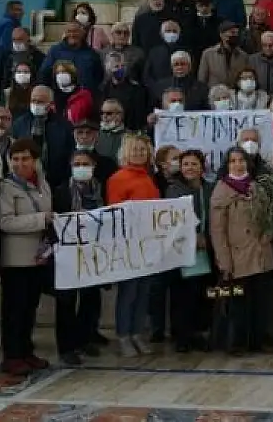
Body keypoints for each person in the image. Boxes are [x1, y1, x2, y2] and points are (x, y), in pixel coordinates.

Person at [210, 147, 273, 354]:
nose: (238, 165)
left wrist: (269, 233)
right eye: (233, 161)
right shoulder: (221, 191)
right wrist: (224, 261)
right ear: (227, 165)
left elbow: (269, 217)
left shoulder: (257, 188)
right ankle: (236, 343)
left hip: (260, 253)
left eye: (241, 160)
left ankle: (257, 341)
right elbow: (217, 231)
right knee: (237, 302)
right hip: (237, 256)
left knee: (260, 302)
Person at [0, 138, 54, 376]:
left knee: (30, 308)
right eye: (15, 159)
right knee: (14, 310)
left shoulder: (42, 184)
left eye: (25, 158)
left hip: (37, 257)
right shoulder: (5, 187)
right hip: (15, 259)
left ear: (35, 160)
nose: (20, 163)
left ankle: (26, 350)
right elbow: (5, 221)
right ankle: (12, 355)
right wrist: (41, 220)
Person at [106, 133, 161, 357]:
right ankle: (123, 335)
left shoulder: (148, 177)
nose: (139, 153)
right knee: (128, 293)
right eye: (134, 149)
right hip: (128, 244)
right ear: (125, 153)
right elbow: (115, 212)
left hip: (148, 243)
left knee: (143, 291)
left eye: (142, 149)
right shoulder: (118, 178)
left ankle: (137, 332)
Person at [50, 150, 107, 365]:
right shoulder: (61, 192)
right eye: (77, 163)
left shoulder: (102, 190)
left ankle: (84, 339)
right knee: (66, 302)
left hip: (93, 251)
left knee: (90, 299)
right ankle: (66, 347)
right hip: (68, 253)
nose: (81, 167)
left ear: (93, 167)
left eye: (86, 163)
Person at [164, 149, 215, 353]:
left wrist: (208, 238)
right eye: (186, 164)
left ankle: (199, 333)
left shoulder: (209, 188)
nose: (190, 168)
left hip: (206, 249)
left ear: (202, 167)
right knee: (183, 295)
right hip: (183, 249)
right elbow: (174, 220)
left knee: (204, 293)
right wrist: (194, 237)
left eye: (194, 164)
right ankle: (182, 337)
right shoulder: (174, 189)